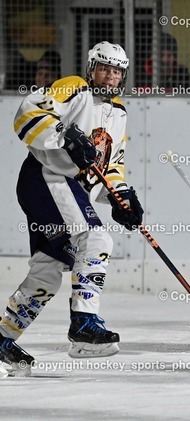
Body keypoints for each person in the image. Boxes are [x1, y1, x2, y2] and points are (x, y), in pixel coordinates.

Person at [0, 41, 144, 374]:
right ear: (91, 68)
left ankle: (3, 337)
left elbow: (110, 168)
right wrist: (63, 134)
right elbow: (27, 112)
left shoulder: (119, 112)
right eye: (104, 69)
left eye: (116, 72)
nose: (109, 77)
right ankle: (84, 325)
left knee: (47, 272)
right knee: (96, 240)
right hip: (47, 178)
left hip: (68, 189)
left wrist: (121, 198)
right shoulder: (74, 88)